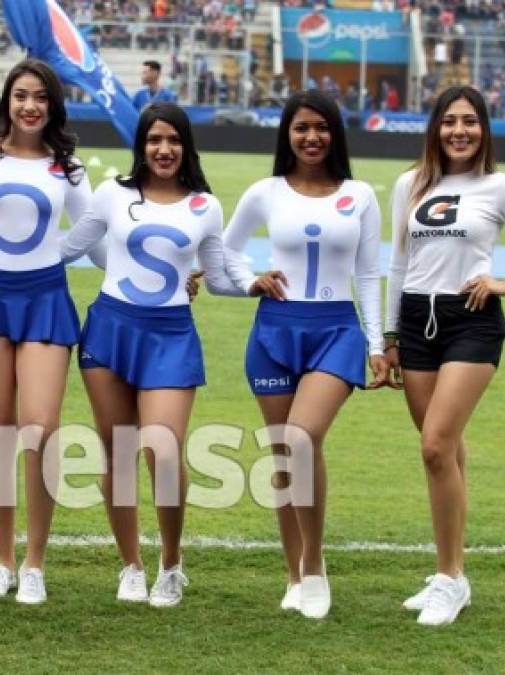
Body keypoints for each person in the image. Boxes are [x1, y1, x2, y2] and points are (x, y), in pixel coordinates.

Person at [385, 86, 505, 626]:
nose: (459, 131)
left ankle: (449, 578)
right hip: (417, 323)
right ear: (435, 128)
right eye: (449, 121)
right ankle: (453, 574)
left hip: (473, 319)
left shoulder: (499, 186)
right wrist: (391, 337)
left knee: (437, 446)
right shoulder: (409, 184)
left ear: (484, 128)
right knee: (445, 450)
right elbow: (398, 263)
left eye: (469, 121)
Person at [58, 102, 245, 608]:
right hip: (109, 331)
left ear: (186, 146)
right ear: (141, 145)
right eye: (154, 140)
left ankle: (170, 562)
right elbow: (68, 248)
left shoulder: (204, 205)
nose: (164, 149)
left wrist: (258, 284)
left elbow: (221, 274)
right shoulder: (112, 194)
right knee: (117, 453)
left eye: (174, 140)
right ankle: (130, 566)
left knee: (162, 451)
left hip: (169, 335)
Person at [221, 90, 391, 620]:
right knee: (283, 457)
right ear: (286, 135)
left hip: (336, 330)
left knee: (301, 439)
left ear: (334, 134)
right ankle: (293, 573)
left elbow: (368, 273)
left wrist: (377, 343)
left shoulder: (360, 194)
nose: (311, 137)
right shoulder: (265, 191)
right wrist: (250, 279)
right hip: (274, 329)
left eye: (320, 127)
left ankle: (314, 567)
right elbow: (224, 250)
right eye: (300, 128)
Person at [0, 58, 92, 604]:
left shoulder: (68, 168)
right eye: (21, 95)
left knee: (41, 428)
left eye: (41, 98)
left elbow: (97, 234)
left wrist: (173, 274)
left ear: (53, 106)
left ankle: (36, 563)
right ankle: (3, 559)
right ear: (6, 99)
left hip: (45, 300)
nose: (30, 106)